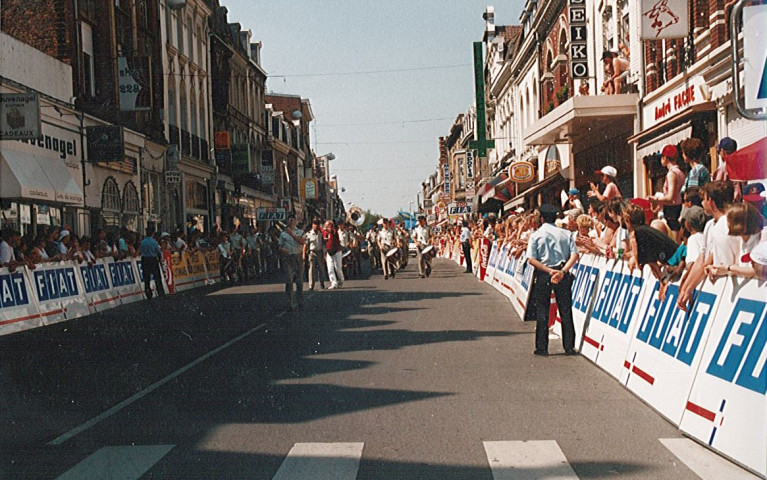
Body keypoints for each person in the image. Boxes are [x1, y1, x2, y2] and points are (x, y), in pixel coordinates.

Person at [526, 204, 579, 356]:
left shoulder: (536, 235)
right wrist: (562, 271)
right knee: (565, 310)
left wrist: (549, 271)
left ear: (542, 218)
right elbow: (575, 255)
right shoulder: (566, 234)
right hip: (562, 273)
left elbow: (531, 259)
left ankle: (542, 347)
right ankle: (569, 346)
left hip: (544, 274)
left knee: (542, 310)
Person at [678, 181, 738, 311]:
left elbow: (708, 262)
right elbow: (702, 258)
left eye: (703, 200)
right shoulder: (710, 224)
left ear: (710, 201)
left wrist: (688, 288)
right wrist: (686, 287)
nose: (701, 203)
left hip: (729, 285)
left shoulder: (726, 223)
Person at [649, 144, 685, 236]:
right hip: (678, 207)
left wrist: (656, 199)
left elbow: (670, 197)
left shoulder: (671, 173)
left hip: (672, 209)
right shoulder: (680, 172)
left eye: (661, 157)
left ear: (665, 158)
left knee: (673, 236)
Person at [278, 216, 306, 311]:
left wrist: (292, 234)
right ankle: (289, 302)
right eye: (290, 221)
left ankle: (300, 301)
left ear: (296, 222)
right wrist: (284, 250)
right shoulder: (283, 234)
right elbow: (280, 246)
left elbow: (302, 242)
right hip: (288, 257)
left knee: (299, 280)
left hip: (297, 256)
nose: (292, 222)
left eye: (293, 220)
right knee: (289, 280)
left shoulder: (300, 232)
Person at [713, 137, 741, 201]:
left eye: (719, 151)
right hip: (741, 203)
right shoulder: (741, 165)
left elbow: (717, 187)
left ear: (722, 151)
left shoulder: (724, 167)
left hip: (730, 204)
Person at [140, 227, 165, 299]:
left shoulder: (142, 242)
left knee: (146, 278)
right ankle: (160, 292)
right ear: (153, 233)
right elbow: (158, 252)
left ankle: (148, 292)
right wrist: (160, 260)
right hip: (153, 260)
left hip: (144, 260)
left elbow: (141, 251)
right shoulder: (154, 242)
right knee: (157, 277)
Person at [304, 219, 327, 290]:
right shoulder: (308, 234)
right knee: (311, 269)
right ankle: (311, 285)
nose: (316, 226)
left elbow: (324, 242)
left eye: (317, 224)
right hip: (312, 253)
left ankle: (322, 284)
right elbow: (305, 245)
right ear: (312, 225)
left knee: (321, 269)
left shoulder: (321, 233)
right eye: (315, 224)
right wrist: (304, 254)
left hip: (320, 252)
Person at [323, 220, 344, 289]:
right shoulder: (325, 232)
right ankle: (333, 283)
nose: (325, 227)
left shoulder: (334, 231)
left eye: (327, 225)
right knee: (330, 268)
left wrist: (327, 229)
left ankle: (341, 281)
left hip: (337, 251)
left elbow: (332, 231)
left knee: (338, 268)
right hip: (329, 252)